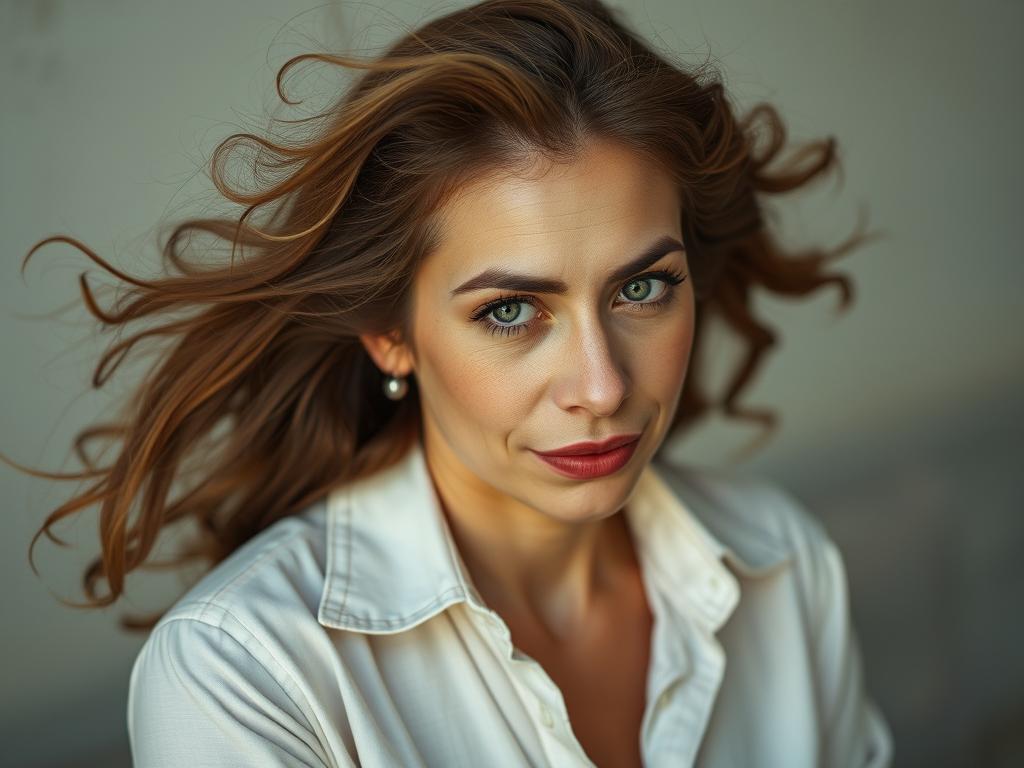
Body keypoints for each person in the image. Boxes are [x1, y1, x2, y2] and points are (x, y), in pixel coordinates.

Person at [12, 0, 892, 765]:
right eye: (512, 311)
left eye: (641, 288)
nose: (600, 385)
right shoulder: (246, 672)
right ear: (390, 332)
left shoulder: (781, 567)